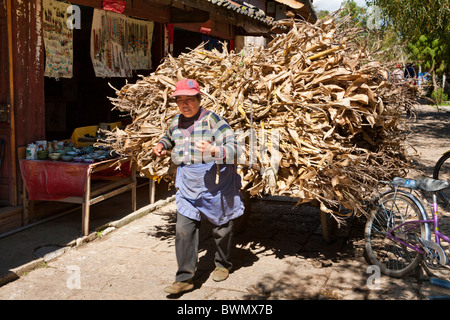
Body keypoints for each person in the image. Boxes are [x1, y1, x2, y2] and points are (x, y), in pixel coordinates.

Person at [153, 78, 244, 295]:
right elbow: (168, 138)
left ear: (199, 99)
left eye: (189, 99)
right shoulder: (175, 122)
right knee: (183, 229)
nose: (184, 104)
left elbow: (236, 149)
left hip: (215, 184)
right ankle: (185, 278)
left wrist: (214, 150)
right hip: (187, 183)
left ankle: (223, 263)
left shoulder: (214, 121)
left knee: (221, 228)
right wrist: (161, 145)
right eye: (180, 100)